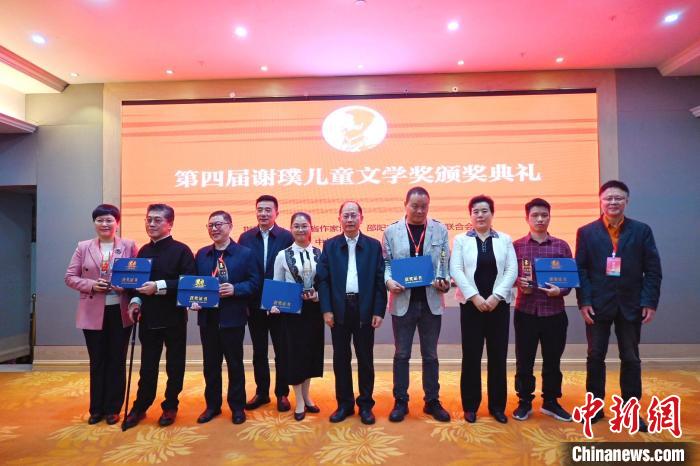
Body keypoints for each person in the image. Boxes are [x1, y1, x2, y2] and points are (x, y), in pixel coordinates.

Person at [576, 180, 662, 432]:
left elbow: (653, 270)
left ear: (627, 201)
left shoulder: (642, 230)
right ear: (600, 201)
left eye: (618, 198)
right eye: (608, 198)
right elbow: (581, 270)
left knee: (631, 358)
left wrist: (649, 302)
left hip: (631, 304)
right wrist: (584, 301)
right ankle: (594, 408)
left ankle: (631, 411)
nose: (613, 202)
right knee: (595, 357)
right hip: (597, 305)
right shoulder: (586, 232)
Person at [123, 203, 196, 430]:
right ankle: (140, 405)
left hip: (174, 317)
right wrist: (135, 301)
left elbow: (189, 282)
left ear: (170, 224)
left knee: (175, 365)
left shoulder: (182, 250)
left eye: (157, 220)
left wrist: (159, 286)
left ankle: (170, 404)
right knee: (147, 365)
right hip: (148, 317)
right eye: (148, 220)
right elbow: (137, 284)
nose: (151, 224)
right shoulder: (143, 251)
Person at [65, 204, 138, 425]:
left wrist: (124, 287)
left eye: (109, 220)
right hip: (92, 311)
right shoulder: (83, 247)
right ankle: (96, 408)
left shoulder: (129, 246)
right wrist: (91, 285)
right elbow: (70, 277)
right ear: (94, 223)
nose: (104, 224)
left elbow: (138, 277)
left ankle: (113, 408)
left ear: (117, 223)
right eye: (100, 220)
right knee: (97, 360)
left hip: (119, 311)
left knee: (117, 360)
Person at [382, 187, 451, 423]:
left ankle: (432, 401)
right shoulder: (391, 231)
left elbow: (444, 262)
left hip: (431, 301)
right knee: (401, 354)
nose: (420, 211)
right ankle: (401, 401)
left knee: (430, 355)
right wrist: (388, 281)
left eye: (424, 206)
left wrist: (444, 280)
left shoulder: (440, 229)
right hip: (403, 301)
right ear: (405, 205)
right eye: (415, 206)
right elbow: (386, 264)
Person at [317, 201, 387, 425]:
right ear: (339, 219)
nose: (349, 219)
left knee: (365, 358)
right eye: (345, 215)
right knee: (341, 358)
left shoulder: (373, 246)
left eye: (353, 215)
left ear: (361, 218)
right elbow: (323, 281)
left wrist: (379, 310)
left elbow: (380, 281)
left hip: (364, 307)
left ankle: (365, 405)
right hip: (339, 309)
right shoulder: (330, 245)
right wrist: (326, 309)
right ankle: (344, 404)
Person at [450, 195, 517, 424]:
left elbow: (512, 270)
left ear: (492, 214)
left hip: (499, 306)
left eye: (484, 211)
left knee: (498, 356)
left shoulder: (505, 239)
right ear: (470, 215)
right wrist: (475, 297)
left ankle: (497, 407)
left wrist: (496, 297)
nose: (480, 215)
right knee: (471, 356)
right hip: (471, 307)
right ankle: (470, 406)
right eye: (476, 211)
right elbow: (456, 270)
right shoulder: (461, 240)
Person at [192, 211, 260, 425]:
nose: (214, 229)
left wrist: (235, 289)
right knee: (210, 365)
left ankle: (237, 406)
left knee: (235, 364)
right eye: (210, 225)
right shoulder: (202, 254)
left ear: (230, 226)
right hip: (208, 318)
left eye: (219, 224)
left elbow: (255, 283)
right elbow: (194, 284)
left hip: (233, 317)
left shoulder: (245, 254)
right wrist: (193, 300)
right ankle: (212, 406)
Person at [512, 198, 573, 422]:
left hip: (554, 313)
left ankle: (551, 401)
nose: (540, 219)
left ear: (549, 217)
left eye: (544, 215)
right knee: (524, 360)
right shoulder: (516, 246)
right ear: (526, 218)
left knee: (553, 360)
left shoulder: (561, 246)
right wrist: (518, 282)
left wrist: (561, 290)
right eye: (535, 215)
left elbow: (569, 280)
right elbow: (508, 276)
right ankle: (524, 401)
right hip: (525, 312)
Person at [238, 195, 294, 412]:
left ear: (276, 213)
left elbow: (291, 270)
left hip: (279, 304)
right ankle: (262, 392)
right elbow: (241, 270)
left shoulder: (286, 237)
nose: (263, 213)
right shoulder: (245, 238)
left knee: (283, 350)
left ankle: (282, 393)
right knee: (259, 350)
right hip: (254, 303)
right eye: (260, 209)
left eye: (268, 210)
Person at [269, 212, 324, 421]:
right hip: (292, 313)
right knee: (294, 356)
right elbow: (277, 284)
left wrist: (318, 296)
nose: (301, 229)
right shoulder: (282, 255)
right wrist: (274, 304)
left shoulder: (319, 253)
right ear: (291, 229)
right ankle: (299, 400)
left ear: (311, 228)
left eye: (304, 225)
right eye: (296, 226)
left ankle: (307, 396)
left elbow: (325, 282)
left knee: (310, 354)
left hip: (313, 312)